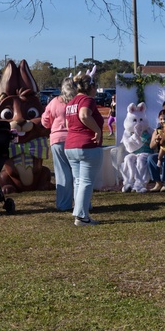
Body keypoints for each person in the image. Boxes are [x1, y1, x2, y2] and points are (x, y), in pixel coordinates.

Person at [64, 73, 103, 226]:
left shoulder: (70, 102)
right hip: (87, 145)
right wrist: (98, 131)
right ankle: (81, 216)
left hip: (70, 145)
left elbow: (68, 125)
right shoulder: (87, 100)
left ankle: (80, 212)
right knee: (86, 181)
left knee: (78, 181)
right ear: (91, 87)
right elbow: (84, 115)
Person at [40, 77, 77, 211]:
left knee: (62, 173)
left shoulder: (54, 102)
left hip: (57, 140)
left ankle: (63, 204)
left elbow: (45, 121)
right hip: (75, 139)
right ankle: (82, 203)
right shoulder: (78, 101)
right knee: (78, 173)